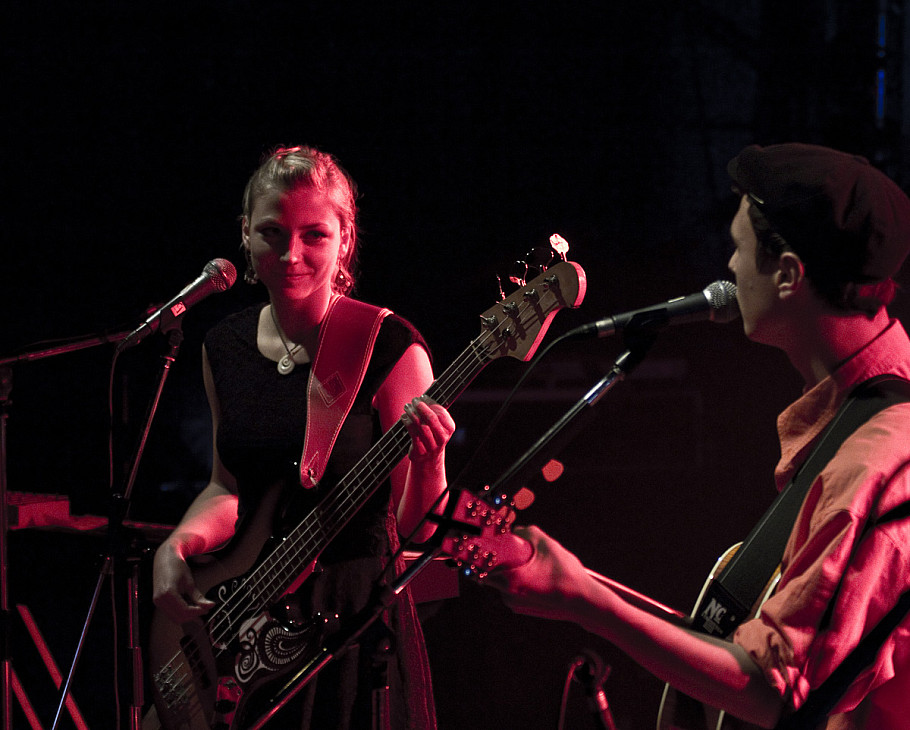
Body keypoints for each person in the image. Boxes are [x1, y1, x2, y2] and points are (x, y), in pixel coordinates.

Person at [484, 143, 910, 729]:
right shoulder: (857, 415)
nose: (729, 267)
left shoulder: (874, 464)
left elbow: (782, 692)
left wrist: (585, 600)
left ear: (788, 274)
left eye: (739, 248)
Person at [150, 145, 454, 729]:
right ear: (245, 234)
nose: (291, 254)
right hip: (250, 622)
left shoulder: (388, 345)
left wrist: (432, 460)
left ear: (345, 239)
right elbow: (228, 487)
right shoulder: (224, 345)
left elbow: (418, 528)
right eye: (272, 232)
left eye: (314, 235)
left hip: (351, 627)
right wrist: (178, 545)